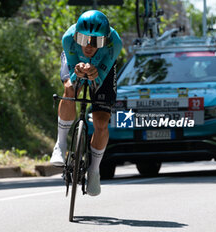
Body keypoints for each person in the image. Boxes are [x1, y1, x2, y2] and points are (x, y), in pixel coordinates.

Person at [50, 10, 122, 196]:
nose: (88, 46)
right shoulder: (68, 39)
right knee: (70, 89)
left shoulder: (115, 42)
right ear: (76, 36)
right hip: (76, 63)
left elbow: (100, 79)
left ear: (105, 41)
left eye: (96, 42)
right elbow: (73, 76)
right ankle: (61, 144)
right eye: (83, 39)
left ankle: (94, 170)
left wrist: (94, 73)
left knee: (101, 121)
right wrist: (79, 73)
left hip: (102, 66)